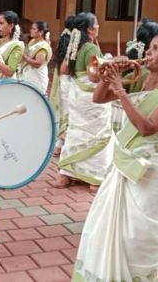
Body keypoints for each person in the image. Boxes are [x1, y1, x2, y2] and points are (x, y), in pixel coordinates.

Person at [75, 32, 158, 281]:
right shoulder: (141, 79)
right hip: (126, 164)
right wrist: (108, 76)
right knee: (112, 229)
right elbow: (98, 98)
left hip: (153, 171)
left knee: (140, 232)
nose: (148, 53)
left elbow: (147, 127)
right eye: (149, 48)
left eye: (156, 49)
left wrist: (120, 89)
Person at [54, 12, 113, 190]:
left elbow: (64, 70)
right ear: (89, 29)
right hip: (91, 100)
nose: (98, 28)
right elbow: (94, 78)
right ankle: (94, 178)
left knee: (75, 133)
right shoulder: (91, 48)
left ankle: (65, 175)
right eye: (97, 25)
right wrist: (109, 64)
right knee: (98, 135)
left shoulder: (75, 46)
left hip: (76, 96)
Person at [48, 16, 76, 158]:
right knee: (67, 111)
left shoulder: (64, 37)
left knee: (63, 110)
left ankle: (59, 144)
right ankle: (60, 144)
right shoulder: (72, 41)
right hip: (67, 79)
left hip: (61, 78)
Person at [19, 21, 52, 94]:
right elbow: (27, 53)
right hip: (27, 76)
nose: (31, 30)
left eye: (34, 29)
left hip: (37, 78)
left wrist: (24, 56)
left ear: (41, 32)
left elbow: (37, 64)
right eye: (31, 28)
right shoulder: (32, 41)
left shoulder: (43, 47)